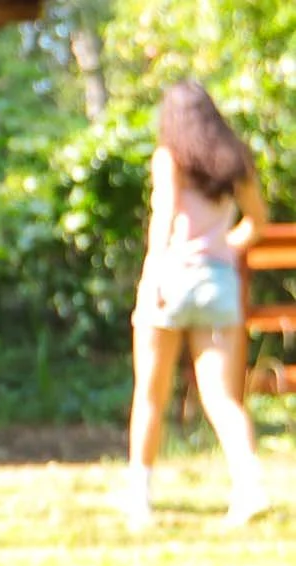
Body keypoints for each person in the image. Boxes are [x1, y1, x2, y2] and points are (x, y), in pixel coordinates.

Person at [124, 80, 272, 527]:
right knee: (224, 398)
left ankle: (140, 500)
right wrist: (226, 246)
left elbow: (165, 219)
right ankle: (250, 488)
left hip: (173, 279)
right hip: (218, 283)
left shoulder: (170, 158)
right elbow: (258, 222)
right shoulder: (234, 161)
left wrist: (152, 278)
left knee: (151, 394)